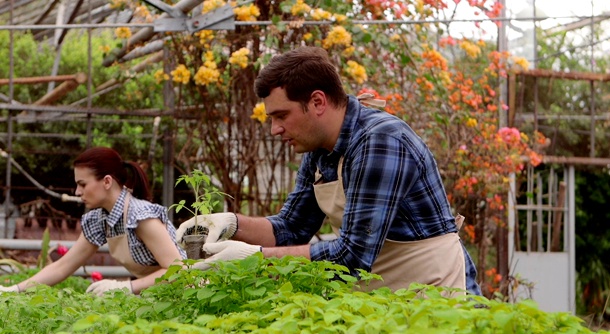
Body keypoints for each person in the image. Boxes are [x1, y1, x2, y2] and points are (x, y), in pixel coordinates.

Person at [176, 46, 481, 295]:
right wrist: (229, 224)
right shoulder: (320, 149)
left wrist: (253, 259)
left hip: (433, 291)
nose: (275, 129)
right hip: (379, 297)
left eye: (282, 115)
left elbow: (353, 256)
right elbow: (292, 227)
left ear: (318, 101)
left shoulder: (380, 140)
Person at [0, 147, 187, 296]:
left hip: (190, 295)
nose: (77, 192)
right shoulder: (101, 220)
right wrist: (14, 290)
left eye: (82, 184)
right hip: (159, 296)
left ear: (107, 182)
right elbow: (62, 266)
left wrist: (126, 287)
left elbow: (178, 271)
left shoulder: (141, 216)